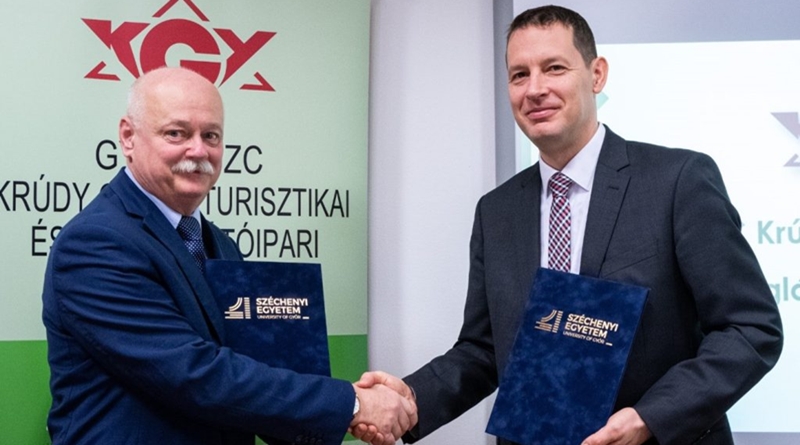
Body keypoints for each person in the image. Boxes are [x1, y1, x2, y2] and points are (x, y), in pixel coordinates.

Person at [353, 5, 783, 445]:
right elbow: (486, 350)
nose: (535, 89)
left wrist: (649, 418)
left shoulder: (677, 181)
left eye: (554, 68)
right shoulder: (496, 212)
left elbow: (750, 329)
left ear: (597, 75)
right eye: (519, 75)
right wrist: (411, 399)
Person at [41, 67, 414, 445]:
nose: (198, 151)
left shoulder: (219, 244)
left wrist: (343, 406)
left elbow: (256, 366)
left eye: (211, 135)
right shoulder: (95, 243)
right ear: (128, 137)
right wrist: (352, 405)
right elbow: (192, 374)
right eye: (176, 133)